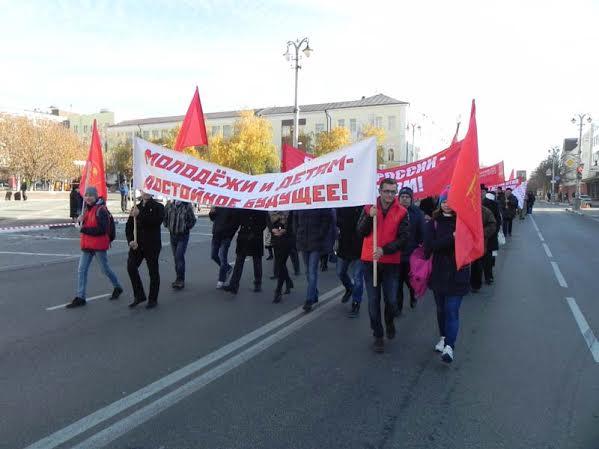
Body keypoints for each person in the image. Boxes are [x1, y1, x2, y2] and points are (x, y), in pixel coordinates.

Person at [357, 178, 409, 353]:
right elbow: (360, 232)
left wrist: (385, 250)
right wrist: (368, 217)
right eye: (386, 191)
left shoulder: (402, 212)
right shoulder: (368, 208)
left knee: (391, 300)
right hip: (369, 261)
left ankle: (389, 321)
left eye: (393, 192)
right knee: (373, 301)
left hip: (391, 263)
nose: (389, 195)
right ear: (380, 191)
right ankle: (378, 334)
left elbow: (403, 239)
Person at [424, 188, 470, 363]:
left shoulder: (464, 222)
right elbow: (429, 247)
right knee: (441, 309)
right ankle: (443, 337)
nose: (447, 205)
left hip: (459, 272)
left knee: (452, 310)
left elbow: (472, 244)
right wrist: (451, 237)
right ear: (440, 203)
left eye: (451, 201)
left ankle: (450, 346)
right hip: (439, 273)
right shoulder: (433, 224)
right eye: (444, 201)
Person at [66, 186, 123, 308]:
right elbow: (86, 225)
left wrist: (84, 228)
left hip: (98, 245)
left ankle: (117, 286)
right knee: (82, 270)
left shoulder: (101, 210)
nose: (88, 198)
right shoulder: (87, 209)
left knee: (104, 269)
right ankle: (81, 297)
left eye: (90, 195)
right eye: (86, 195)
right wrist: (81, 220)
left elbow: (102, 230)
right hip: (87, 245)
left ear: (96, 196)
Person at [126, 191, 165, 309]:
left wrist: (140, 215)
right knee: (131, 267)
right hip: (137, 245)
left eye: (148, 191)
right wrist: (131, 241)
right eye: (144, 191)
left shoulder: (158, 207)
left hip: (152, 245)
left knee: (153, 272)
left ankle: (153, 299)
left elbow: (156, 222)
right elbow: (129, 227)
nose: (146, 193)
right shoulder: (135, 207)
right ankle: (139, 295)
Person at [294, 208, 334, 312]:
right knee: (308, 271)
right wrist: (297, 232)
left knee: (312, 271)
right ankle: (314, 293)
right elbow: (294, 217)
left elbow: (327, 218)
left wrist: (320, 234)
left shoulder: (319, 202)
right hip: (303, 241)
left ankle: (309, 299)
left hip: (315, 242)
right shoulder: (300, 202)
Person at [224, 209, 268, 294]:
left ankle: (257, 283)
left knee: (257, 262)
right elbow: (235, 223)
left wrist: (254, 232)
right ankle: (234, 285)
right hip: (243, 236)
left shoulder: (261, 208)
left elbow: (263, 224)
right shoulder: (242, 207)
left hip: (255, 237)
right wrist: (229, 235)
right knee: (239, 261)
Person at [397, 187, 425, 313]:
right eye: (402, 196)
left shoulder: (417, 213)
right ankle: (398, 307)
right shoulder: (394, 211)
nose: (404, 199)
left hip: (411, 255)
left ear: (411, 199)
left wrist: (420, 248)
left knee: (410, 281)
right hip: (396, 253)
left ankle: (413, 295)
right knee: (397, 283)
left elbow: (422, 233)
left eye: (407, 197)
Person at [335, 206, 365, 316]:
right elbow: (337, 220)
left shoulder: (363, 205)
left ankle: (356, 302)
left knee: (357, 278)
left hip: (359, 247)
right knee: (340, 272)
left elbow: (366, 224)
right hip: (344, 245)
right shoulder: (343, 204)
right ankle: (349, 288)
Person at [163, 199, 196, 290]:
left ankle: (180, 280)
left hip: (183, 236)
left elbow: (192, 220)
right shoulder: (169, 205)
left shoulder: (186, 205)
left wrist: (185, 227)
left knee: (179, 256)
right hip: (172, 235)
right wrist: (167, 225)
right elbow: (164, 216)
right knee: (176, 258)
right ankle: (178, 278)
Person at [470, 193, 497, 292]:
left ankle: (475, 285)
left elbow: (492, 225)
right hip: (465, 243)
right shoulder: (464, 211)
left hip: (479, 243)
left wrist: (481, 233)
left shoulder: (485, 211)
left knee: (477, 264)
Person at [269, 211, 295, 303]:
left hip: (287, 239)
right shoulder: (271, 208)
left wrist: (286, 230)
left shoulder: (291, 209)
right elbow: (268, 220)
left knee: (280, 263)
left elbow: (295, 221)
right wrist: (272, 229)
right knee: (281, 264)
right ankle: (288, 281)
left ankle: (278, 291)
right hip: (276, 239)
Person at [209, 207, 238, 289]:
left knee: (222, 257)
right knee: (213, 255)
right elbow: (213, 218)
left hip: (225, 237)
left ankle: (221, 279)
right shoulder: (218, 205)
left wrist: (229, 235)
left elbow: (235, 224)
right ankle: (228, 268)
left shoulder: (233, 207)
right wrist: (211, 213)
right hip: (216, 235)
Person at [482, 192, 502, 284]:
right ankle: (489, 277)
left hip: (479, 236)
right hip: (491, 235)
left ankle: (475, 282)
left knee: (477, 259)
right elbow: (498, 222)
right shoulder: (495, 206)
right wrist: (495, 232)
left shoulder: (480, 205)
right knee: (489, 257)